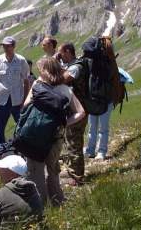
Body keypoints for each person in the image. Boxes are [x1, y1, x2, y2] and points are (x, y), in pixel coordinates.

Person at [25, 57, 86, 205]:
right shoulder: (65, 89)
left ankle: (40, 205)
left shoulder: (37, 86)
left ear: (45, 72)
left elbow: (25, 107)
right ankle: (57, 201)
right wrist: (64, 123)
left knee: (36, 170)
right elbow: (81, 112)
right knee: (52, 169)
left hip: (35, 135)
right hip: (56, 136)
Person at [0, 155, 43, 229]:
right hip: (34, 227)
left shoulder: (0, 195)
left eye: (3, 169)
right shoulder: (33, 189)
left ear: (12, 172)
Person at [0, 36, 30, 144]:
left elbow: (26, 82)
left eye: (8, 46)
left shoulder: (21, 60)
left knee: (22, 126)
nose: (5, 48)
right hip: (1, 101)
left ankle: (23, 149)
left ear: (13, 46)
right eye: (3, 46)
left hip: (17, 101)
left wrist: (25, 101)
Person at [58, 42, 88, 184]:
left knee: (74, 141)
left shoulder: (76, 67)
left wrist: (55, 64)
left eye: (61, 53)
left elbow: (61, 80)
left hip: (78, 110)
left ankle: (76, 176)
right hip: (73, 110)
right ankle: (71, 170)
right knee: (69, 140)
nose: (60, 56)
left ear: (68, 52)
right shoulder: (71, 66)